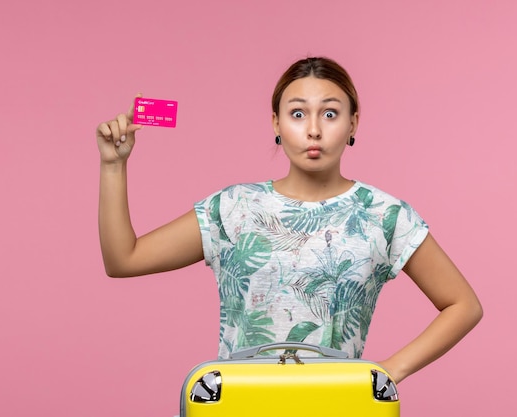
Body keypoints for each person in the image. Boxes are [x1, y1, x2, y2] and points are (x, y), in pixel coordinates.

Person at [96, 57, 483, 384]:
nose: (313, 129)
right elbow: (123, 260)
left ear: (353, 124)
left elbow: (463, 305)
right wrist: (113, 166)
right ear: (276, 124)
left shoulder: (383, 215)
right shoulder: (235, 208)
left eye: (330, 113)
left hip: (336, 406)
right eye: (297, 113)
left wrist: (385, 372)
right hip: (239, 405)